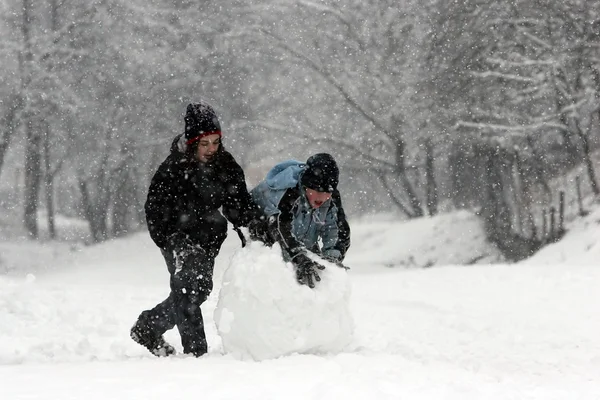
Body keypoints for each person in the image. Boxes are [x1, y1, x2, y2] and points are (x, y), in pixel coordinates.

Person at [130, 101, 260, 357]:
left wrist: (252, 228)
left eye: (215, 142)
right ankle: (195, 354)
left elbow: (237, 203)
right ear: (192, 143)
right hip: (177, 240)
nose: (212, 149)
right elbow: (154, 209)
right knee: (190, 289)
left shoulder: (225, 164)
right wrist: (171, 239)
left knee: (197, 291)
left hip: (208, 239)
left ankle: (148, 326)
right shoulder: (173, 169)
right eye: (205, 143)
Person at [249, 153, 351, 288]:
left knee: (317, 274)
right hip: (269, 241)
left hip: (303, 239)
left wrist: (332, 257)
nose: (322, 197)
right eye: (317, 191)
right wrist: (298, 257)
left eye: (327, 192)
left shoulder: (331, 197)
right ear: (306, 185)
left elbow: (336, 230)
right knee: (281, 278)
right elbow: (279, 227)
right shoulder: (288, 192)